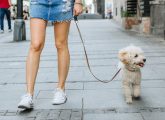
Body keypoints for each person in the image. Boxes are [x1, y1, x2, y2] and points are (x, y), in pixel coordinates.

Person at [18, 0, 83, 109]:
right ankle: (28, 94)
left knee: (61, 44)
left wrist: (78, 1)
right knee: (36, 44)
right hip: (39, 2)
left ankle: (61, 89)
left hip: (63, 2)